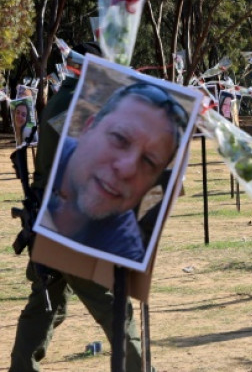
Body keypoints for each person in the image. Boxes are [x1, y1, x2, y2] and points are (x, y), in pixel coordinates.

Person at [11, 42, 152, 372]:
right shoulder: (80, 106)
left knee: (46, 307)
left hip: (49, 222)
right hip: (70, 226)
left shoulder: (66, 101)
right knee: (116, 310)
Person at [39, 82, 187, 262]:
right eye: (120, 138)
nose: (127, 169)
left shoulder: (125, 243)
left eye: (149, 161)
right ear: (88, 128)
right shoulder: (67, 104)